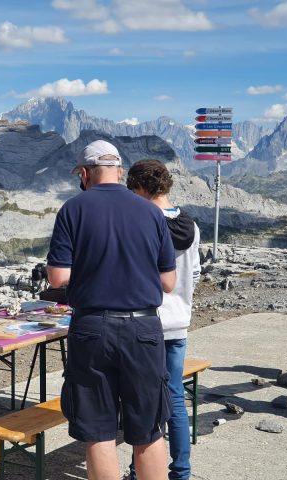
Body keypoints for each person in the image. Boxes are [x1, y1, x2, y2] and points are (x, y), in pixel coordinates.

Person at [47, 139, 177, 480]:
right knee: (149, 430)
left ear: (85, 173)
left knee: (98, 430)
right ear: (119, 171)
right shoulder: (151, 211)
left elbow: (59, 276)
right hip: (144, 328)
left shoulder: (72, 209)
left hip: (92, 328)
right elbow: (168, 283)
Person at [127, 160, 201, 480]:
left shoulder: (142, 222)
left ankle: (137, 470)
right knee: (175, 400)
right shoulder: (192, 226)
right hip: (178, 323)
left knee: (142, 402)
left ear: (142, 188)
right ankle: (181, 472)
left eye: (132, 190)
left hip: (146, 321)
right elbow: (195, 272)